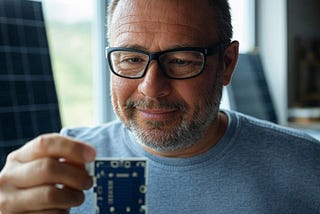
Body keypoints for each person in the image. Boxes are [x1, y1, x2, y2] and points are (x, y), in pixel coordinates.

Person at [0, 0, 320, 213]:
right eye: (132, 59)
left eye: (181, 61)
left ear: (227, 64)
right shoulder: (60, 168)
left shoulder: (308, 168)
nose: (151, 88)